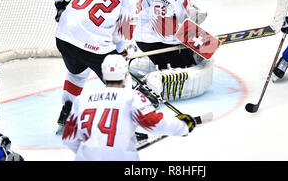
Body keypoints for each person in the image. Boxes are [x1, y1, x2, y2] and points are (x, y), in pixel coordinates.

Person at [49, 0, 136, 132]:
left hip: (63, 36)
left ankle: (68, 111)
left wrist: (60, 6)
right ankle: (124, 130)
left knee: (77, 73)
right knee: (122, 79)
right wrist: (121, 54)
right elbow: (123, 36)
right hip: (92, 45)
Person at [62, 54, 195, 161]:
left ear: (103, 74)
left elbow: (69, 138)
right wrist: (182, 127)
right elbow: (154, 124)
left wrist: (91, 154)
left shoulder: (82, 100)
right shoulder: (132, 97)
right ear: (126, 75)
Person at [132, 0, 213, 101]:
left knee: (199, 53)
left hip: (170, 27)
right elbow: (165, 33)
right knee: (186, 68)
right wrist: (194, 38)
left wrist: (191, 26)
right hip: (151, 38)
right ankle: (143, 75)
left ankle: (143, 63)